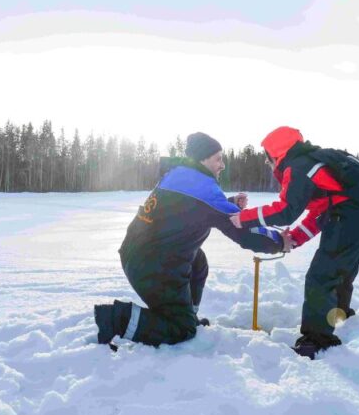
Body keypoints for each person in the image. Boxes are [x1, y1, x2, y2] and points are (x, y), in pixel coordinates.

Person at [94, 132, 291, 349]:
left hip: (143, 252)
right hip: (151, 264)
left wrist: (230, 202)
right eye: (218, 158)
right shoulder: (202, 187)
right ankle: (115, 319)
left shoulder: (181, 175)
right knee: (181, 329)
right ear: (202, 159)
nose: (222, 165)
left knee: (197, 261)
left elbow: (191, 207)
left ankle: (187, 314)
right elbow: (242, 229)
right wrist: (279, 241)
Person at [230, 126, 359, 359]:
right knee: (340, 272)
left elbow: (285, 211)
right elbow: (319, 213)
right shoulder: (313, 163)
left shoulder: (299, 166)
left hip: (347, 218)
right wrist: (294, 238)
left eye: (268, 161)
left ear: (277, 155)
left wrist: (243, 218)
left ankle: (317, 340)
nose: (270, 166)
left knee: (321, 277)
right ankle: (339, 315)